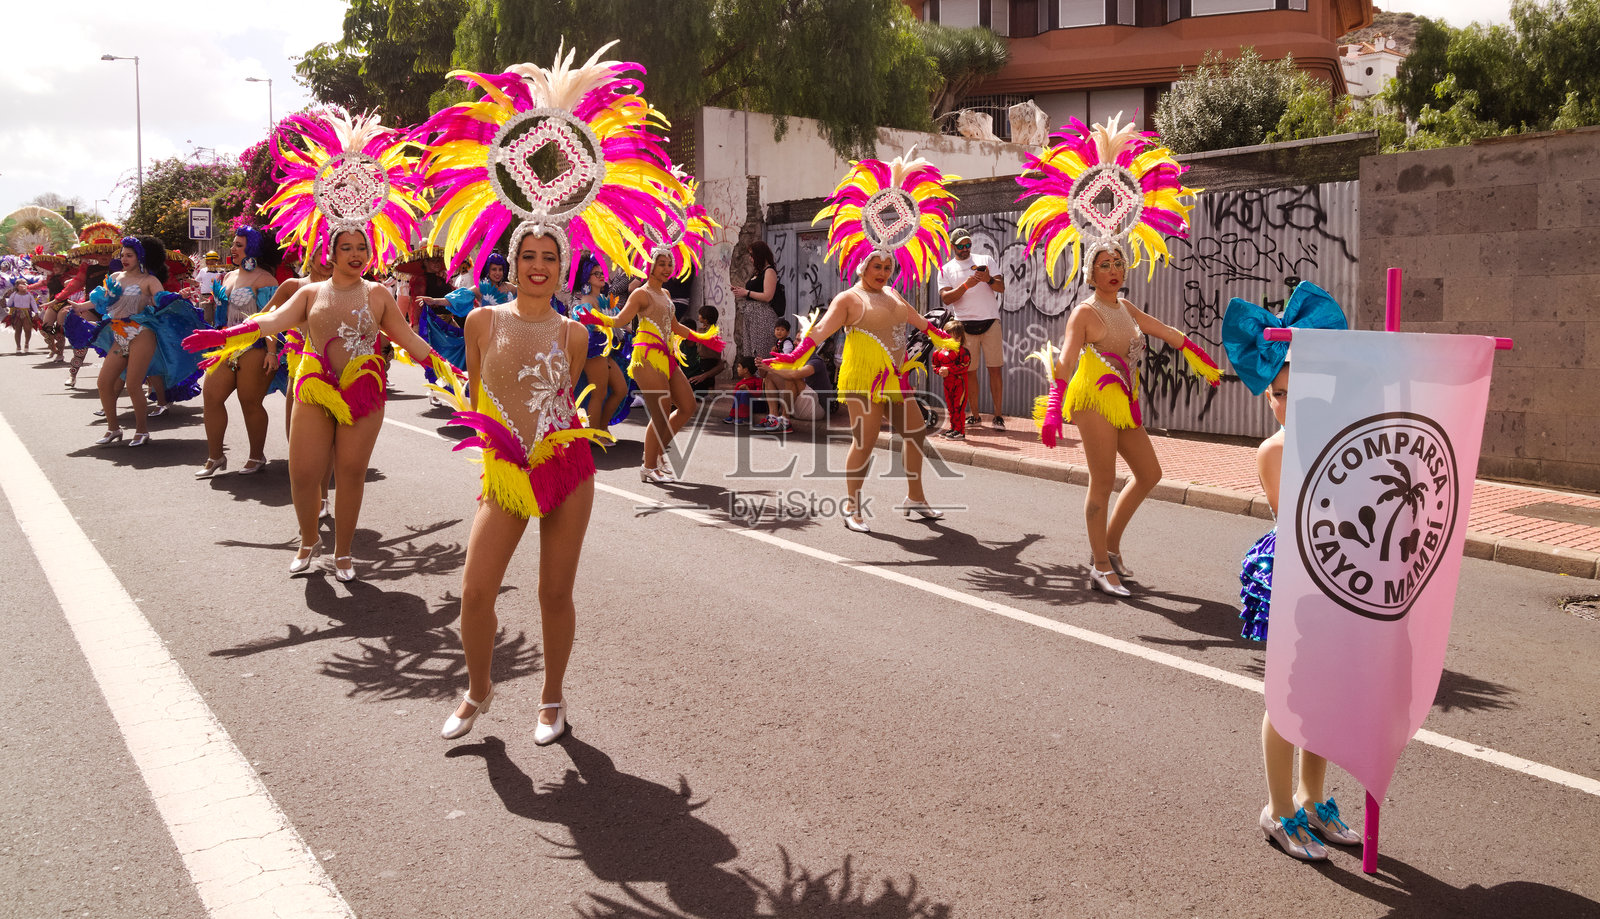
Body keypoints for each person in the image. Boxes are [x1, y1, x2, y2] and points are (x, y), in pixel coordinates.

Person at [415, 42, 687, 744]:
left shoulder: (572, 334)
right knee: (475, 591)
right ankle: (478, 690)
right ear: (510, 266)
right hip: (503, 473)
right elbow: (477, 403)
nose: (538, 266)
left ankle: (553, 698)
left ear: (563, 266)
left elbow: (588, 395)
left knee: (553, 591)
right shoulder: (480, 320)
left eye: (549, 258)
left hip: (564, 467)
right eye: (527, 257)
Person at [198, 107, 442, 582]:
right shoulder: (310, 292)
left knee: (350, 471)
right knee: (305, 472)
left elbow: (407, 337)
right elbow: (272, 319)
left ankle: (345, 551)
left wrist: (449, 367)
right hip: (312, 383)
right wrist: (227, 334)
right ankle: (309, 541)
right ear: (330, 253)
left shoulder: (377, 293)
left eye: (362, 247)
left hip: (364, 388)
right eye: (346, 247)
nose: (355, 254)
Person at [1022, 116, 1216, 597]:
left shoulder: (1125, 305)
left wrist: (1196, 354)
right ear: (1090, 274)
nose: (1113, 269)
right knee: (1102, 482)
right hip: (1092, 399)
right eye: (1103, 264)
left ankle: (1106, 545)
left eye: (1118, 263)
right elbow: (1066, 360)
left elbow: (1162, 330)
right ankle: (1100, 566)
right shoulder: (1084, 313)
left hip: (1123, 399)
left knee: (1150, 473)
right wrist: (1053, 400)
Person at [1221, 282, 1355, 861]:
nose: (1286, 400)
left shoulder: (1343, 440)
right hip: (1294, 577)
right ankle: (1277, 810)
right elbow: (1296, 517)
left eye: (1298, 388)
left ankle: (1312, 797)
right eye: (1277, 392)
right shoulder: (1274, 451)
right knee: (1289, 698)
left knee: (1326, 696)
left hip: (1337, 574)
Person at [768, 150, 960, 531]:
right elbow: (819, 332)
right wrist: (792, 360)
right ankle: (852, 508)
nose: (883, 272)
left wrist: (946, 341)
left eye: (888, 267)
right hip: (862, 379)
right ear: (863, 266)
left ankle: (915, 497)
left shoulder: (893, 295)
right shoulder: (849, 299)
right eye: (877, 266)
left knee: (916, 432)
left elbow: (921, 322)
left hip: (894, 375)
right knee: (866, 441)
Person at [90, 235, 204, 446]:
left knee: (133, 384)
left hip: (142, 332)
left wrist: (179, 295)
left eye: (129, 255)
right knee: (104, 383)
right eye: (122, 255)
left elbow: (160, 299)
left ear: (140, 257)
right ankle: (113, 429)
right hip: (119, 333)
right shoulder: (115, 276)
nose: (124, 259)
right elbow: (103, 300)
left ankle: (142, 431)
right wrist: (79, 307)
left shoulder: (149, 280)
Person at [194, 227, 284, 478]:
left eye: (238, 245)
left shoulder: (265, 279)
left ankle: (257, 455)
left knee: (249, 401)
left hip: (255, 345)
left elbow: (271, 317)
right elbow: (222, 319)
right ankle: (215, 456)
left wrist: (271, 351)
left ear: (252, 248)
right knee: (211, 396)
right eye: (233, 244)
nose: (232, 249)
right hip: (228, 346)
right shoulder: (228, 277)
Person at [939, 228, 1006, 428]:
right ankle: (975, 416)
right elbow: (946, 298)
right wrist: (965, 286)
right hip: (964, 325)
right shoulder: (946, 269)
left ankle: (998, 416)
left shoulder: (985, 259)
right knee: (969, 372)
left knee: (995, 369)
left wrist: (989, 280)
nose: (965, 249)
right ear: (953, 246)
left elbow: (1001, 287)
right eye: (961, 246)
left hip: (990, 321)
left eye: (968, 244)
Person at [569, 255, 628, 429]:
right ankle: (595, 433)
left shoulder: (603, 300)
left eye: (602, 272)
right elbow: (584, 328)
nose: (602, 276)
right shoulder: (587, 302)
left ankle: (601, 428)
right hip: (593, 350)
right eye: (596, 273)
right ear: (587, 278)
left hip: (606, 350)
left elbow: (618, 319)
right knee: (599, 393)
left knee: (621, 390)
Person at [731, 239, 781, 360]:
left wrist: (746, 292)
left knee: (760, 350)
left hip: (762, 316)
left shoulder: (769, 271)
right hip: (751, 315)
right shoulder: (757, 272)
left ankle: (762, 377)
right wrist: (741, 291)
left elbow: (768, 296)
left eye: (752, 255)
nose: (750, 258)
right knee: (749, 350)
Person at [931, 318, 971, 440]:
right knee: (950, 407)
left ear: (961, 338)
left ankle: (960, 430)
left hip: (960, 383)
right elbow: (935, 366)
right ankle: (954, 428)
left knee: (958, 407)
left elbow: (965, 366)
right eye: (950, 337)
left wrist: (949, 370)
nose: (953, 340)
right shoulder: (938, 353)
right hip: (947, 384)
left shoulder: (963, 352)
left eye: (957, 337)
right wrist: (939, 371)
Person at [686, 305, 726, 396]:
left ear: (706, 320)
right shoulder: (712, 330)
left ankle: (710, 393)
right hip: (711, 358)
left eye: (700, 315)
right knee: (710, 376)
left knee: (708, 376)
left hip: (707, 358)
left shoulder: (707, 332)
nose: (698, 316)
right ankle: (710, 392)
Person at [723, 355, 763, 424]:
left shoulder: (757, 381)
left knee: (745, 393)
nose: (737, 369)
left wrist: (748, 390)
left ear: (745, 370)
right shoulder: (740, 383)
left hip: (756, 405)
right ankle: (733, 416)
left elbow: (759, 393)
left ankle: (745, 418)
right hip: (743, 406)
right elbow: (735, 395)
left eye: (739, 366)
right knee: (739, 393)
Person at [5, 279, 38, 353]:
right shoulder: (14, 294)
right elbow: (9, 304)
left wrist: (36, 313)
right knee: (18, 330)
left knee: (28, 329)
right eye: (21, 284)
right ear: (17, 286)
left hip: (27, 313)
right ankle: (18, 346)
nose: (23, 285)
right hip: (17, 313)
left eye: (25, 284)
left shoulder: (29, 294)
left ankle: (26, 344)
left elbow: (33, 304)